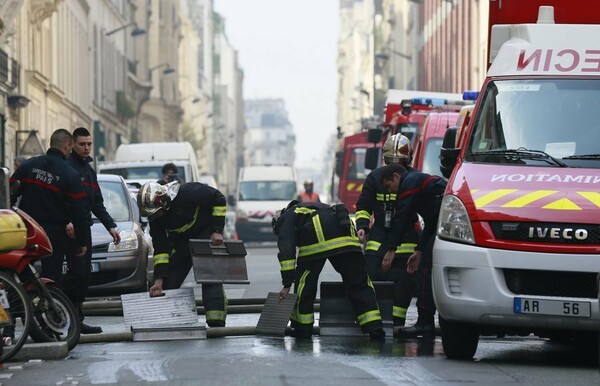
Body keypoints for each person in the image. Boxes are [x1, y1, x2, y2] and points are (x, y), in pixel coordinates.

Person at [272, 200, 385, 339]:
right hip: (347, 234)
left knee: (305, 282)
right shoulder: (313, 206)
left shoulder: (287, 216)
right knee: (359, 281)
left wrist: (287, 284)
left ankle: (303, 329)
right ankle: (374, 326)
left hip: (317, 236)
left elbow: (287, 250)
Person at [137, 180, 228, 327]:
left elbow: (219, 198)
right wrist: (159, 280)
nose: (156, 216)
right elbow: (160, 249)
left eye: (157, 213)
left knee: (210, 278)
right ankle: (167, 320)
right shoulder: (156, 217)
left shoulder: (189, 192)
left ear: (164, 202)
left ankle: (216, 320)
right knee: (167, 281)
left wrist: (217, 231)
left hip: (204, 236)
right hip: (181, 242)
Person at [355, 134, 419, 329]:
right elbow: (364, 205)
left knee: (403, 283)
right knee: (372, 276)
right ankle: (375, 321)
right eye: (391, 163)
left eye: (398, 163)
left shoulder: (413, 179)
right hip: (379, 237)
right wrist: (362, 227)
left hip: (405, 239)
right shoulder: (375, 178)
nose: (394, 168)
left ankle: (397, 323)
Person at [10, 129, 90, 285]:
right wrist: (81, 242)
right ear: (67, 145)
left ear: (51, 144)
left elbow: (9, 191)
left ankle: (25, 303)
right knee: (52, 280)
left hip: (27, 231)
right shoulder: (70, 174)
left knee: (21, 276)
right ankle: (48, 306)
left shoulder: (29, 165)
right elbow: (80, 212)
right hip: (54, 235)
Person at [64, 127, 121, 334]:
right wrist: (65, 221)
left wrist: (111, 226)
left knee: (83, 276)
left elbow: (97, 203)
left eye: (89, 144)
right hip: (68, 231)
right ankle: (67, 319)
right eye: (82, 144)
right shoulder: (66, 167)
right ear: (72, 145)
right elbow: (58, 200)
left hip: (84, 229)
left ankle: (77, 320)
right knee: (72, 276)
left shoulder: (89, 171)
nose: (87, 148)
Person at [381, 163, 447, 338]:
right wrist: (419, 250)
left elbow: (402, 217)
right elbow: (432, 221)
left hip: (445, 227)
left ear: (396, 177)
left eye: (389, 186)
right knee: (429, 268)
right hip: (443, 226)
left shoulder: (409, 182)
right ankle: (435, 322)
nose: (390, 192)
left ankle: (425, 324)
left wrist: (391, 249)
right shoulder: (417, 180)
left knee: (425, 271)